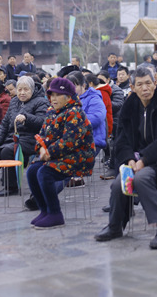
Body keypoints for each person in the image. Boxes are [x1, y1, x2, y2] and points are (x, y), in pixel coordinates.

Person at [95, 66, 157, 250]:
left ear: (154, 83)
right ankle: (115, 226)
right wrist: (129, 158)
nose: (145, 88)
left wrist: (144, 160)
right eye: (140, 84)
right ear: (132, 87)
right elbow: (121, 139)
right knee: (118, 183)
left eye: (148, 83)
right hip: (136, 161)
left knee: (141, 178)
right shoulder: (129, 107)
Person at [26, 77, 95, 230]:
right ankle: (45, 211)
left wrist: (49, 152)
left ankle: (55, 214)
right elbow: (41, 134)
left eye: (57, 95)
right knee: (32, 171)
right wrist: (41, 148)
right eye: (51, 95)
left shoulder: (75, 112)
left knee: (45, 172)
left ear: (68, 97)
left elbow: (70, 141)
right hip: (59, 156)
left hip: (79, 157)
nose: (53, 98)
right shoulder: (51, 112)